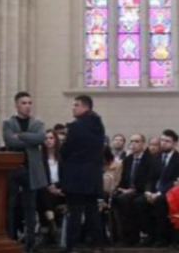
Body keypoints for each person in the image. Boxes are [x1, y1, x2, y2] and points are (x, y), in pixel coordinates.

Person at [2, 91, 48, 252]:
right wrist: (29, 139)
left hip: (31, 170)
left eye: (29, 103)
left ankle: (30, 242)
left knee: (30, 207)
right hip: (14, 169)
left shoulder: (37, 122)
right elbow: (9, 140)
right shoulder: (8, 122)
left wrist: (20, 135)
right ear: (16, 104)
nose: (27, 106)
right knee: (11, 205)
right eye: (24, 103)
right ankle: (10, 238)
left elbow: (41, 138)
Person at [59, 95, 106, 253]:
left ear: (86, 107)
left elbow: (66, 150)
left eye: (76, 105)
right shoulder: (99, 126)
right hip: (92, 177)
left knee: (75, 213)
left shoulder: (76, 127)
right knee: (93, 213)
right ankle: (97, 246)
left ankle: (71, 246)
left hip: (76, 176)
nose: (73, 107)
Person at [141, 130, 179, 246]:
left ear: (174, 143)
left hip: (168, 192)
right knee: (138, 202)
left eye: (167, 141)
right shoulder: (156, 157)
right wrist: (148, 191)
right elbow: (150, 178)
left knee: (160, 202)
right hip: (154, 191)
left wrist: (159, 193)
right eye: (162, 140)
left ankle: (162, 238)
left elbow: (175, 180)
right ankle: (151, 235)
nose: (164, 143)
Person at [114, 133, 155, 245]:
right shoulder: (128, 160)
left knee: (135, 202)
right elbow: (123, 179)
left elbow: (149, 179)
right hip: (128, 191)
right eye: (131, 141)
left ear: (143, 144)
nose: (133, 144)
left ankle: (141, 234)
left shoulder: (150, 160)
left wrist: (135, 189)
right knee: (116, 198)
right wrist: (121, 188)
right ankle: (121, 235)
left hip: (142, 191)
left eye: (137, 141)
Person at [38, 130, 66, 240]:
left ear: (56, 140)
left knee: (44, 200)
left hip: (61, 191)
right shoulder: (40, 159)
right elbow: (40, 177)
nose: (48, 141)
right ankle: (52, 224)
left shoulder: (63, 158)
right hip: (46, 190)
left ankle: (50, 225)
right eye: (46, 138)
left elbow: (66, 176)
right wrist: (49, 186)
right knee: (43, 194)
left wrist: (58, 187)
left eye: (51, 138)